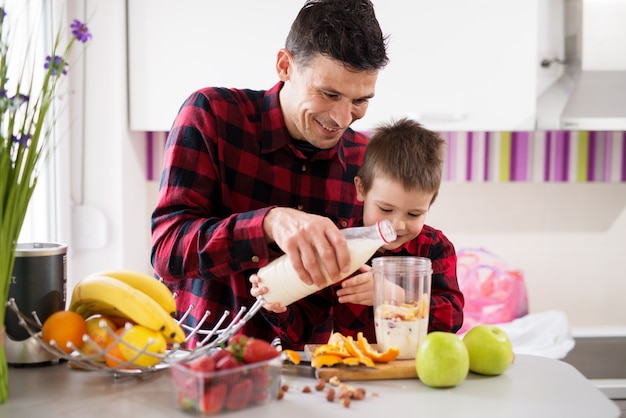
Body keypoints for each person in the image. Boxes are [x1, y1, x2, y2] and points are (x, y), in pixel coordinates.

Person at [150, 0, 389, 349]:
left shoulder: (365, 161)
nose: (341, 118)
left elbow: (363, 296)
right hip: (208, 365)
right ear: (285, 66)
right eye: (328, 93)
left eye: (360, 101)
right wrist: (268, 223)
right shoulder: (213, 116)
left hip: (314, 382)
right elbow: (167, 251)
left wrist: (380, 287)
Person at [252, 118, 464, 345]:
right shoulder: (336, 243)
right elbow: (305, 331)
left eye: (414, 214)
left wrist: (395, 297)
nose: (398, 225)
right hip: (350, 368)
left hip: (411, 370)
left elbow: (453, 318)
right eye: (385, 209)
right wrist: (280, 310)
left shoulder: (433, 248)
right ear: (361, 189)